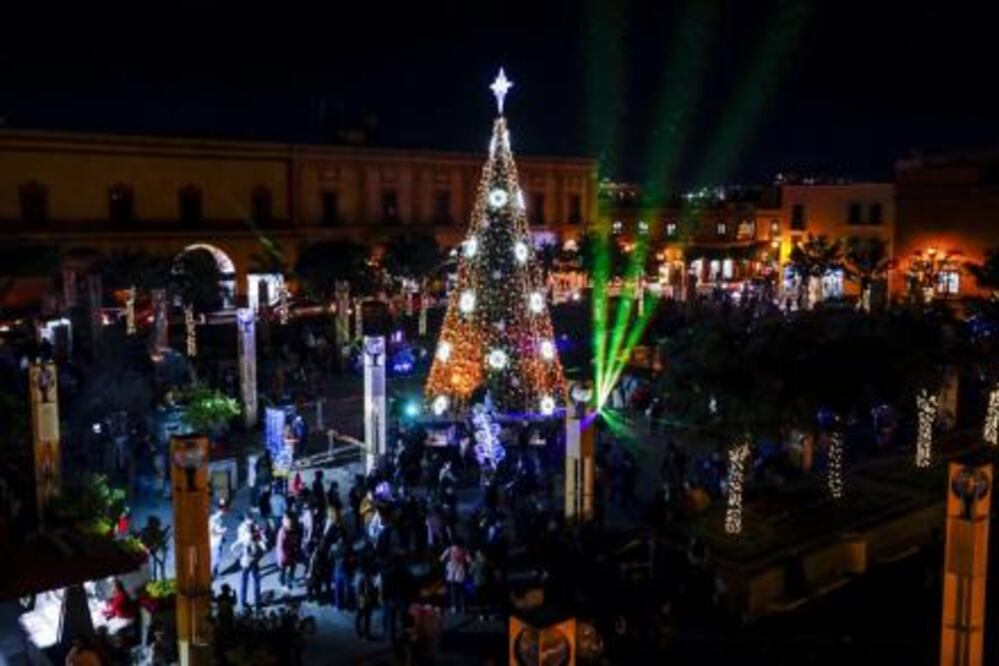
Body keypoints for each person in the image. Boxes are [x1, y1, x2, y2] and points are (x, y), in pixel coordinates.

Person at [232, 521, 266, 611]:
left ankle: (243, 603)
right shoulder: (253, 537)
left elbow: (233, 547)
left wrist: (237, 556)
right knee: (256, 582)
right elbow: (264, 548)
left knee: (244, 583)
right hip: (252, 563)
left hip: (245, 563)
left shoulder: (247, 537)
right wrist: (260, 554)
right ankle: (257, 603)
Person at [440, 540, 469, 614]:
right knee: (461, 591)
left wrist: (448, 562)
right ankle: (462, 607)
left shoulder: (449, 549)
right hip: (459, 571)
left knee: (453, 591)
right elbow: (469, 560)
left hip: (452, 572)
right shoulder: (463, 550)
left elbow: (441, 559)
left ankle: (454, 607)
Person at [276, 514, 300, 591]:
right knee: (283, 569)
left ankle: (289, 580)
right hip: (285, 554)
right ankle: (282, 582)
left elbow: (295, 541)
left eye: (288, 520)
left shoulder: (293, 529)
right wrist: (280, 558)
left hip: (291, 552)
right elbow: (280, 546)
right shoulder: (282, 531)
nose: (287, 522)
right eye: (285, 520)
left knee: (292, 567)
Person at [354, 567, 376, 640]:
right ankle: (366, 634)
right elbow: (367, 591)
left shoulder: (358, 576)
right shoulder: (366, 578)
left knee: (359, 615)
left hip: (359, 598)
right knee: (367, 616)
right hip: (364, 599)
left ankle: (358, 632)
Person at [210, 499, 229, 578]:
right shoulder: (212, 520)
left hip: (218, 541)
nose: (223, 512)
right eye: (222, 510)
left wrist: (222, 537)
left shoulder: (219, 519)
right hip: (214, 543)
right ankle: (211, 575)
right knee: (216, 560)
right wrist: (222, 532)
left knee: (217, 558)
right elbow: (212, 532)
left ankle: (215, 574)